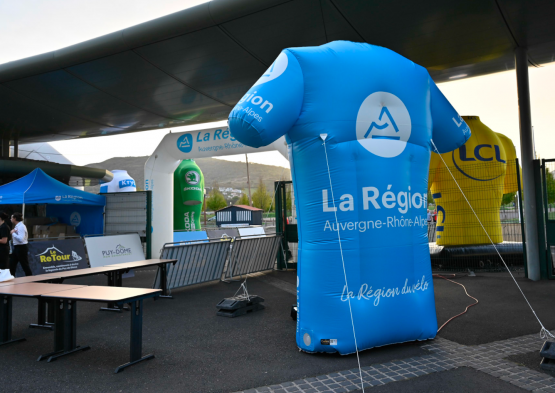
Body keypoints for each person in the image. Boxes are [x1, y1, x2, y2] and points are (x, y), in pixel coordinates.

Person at [10, 212, 32, 276]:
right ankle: (12, 277)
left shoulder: (21, 226)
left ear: (15, 218)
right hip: (16, 247)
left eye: (12, 218)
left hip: (21, 247)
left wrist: (13, 233)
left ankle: (30, 278)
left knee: (24, 265)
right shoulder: (17, 226)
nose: (10, 219)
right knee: (12, 264)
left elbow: (21, 239)